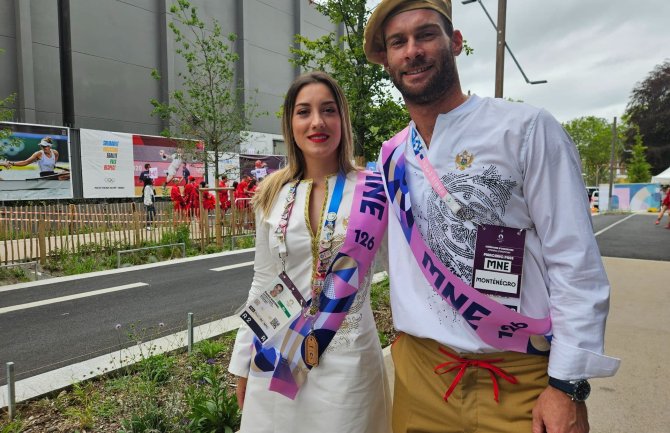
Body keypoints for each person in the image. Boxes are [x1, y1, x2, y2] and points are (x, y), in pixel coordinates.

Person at [363, 1, 620, 433]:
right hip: (423, 379)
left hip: (523, 381)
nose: (412, 51)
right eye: (398, 42)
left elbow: (574, 261)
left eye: (425, 34)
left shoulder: (526, 129)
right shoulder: (391, 157)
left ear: (456, 42)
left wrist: (567, 386)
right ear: (388, 61)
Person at [228, 71, 391, 433]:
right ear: (290, 123)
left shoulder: (375, 191)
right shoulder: (272, 193)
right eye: (304, 112)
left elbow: (404, 276)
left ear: (342, 120)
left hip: (349, 365)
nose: (317, 122)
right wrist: (242, 362)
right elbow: (263, 281)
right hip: (277, 355)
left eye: (328, 110)